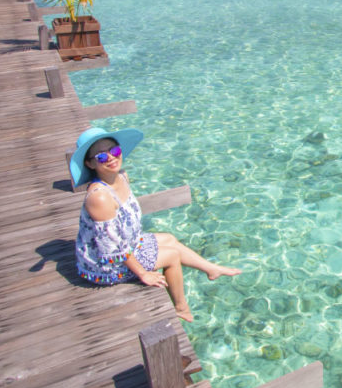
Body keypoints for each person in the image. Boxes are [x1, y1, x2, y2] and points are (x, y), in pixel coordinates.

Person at [71, 127, 240, 321]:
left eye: (114, 151)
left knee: (169, 239)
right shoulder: (99, 197)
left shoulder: (122, 177)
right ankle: (181, 307)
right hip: (104, 266)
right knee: (171, 256)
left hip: (128, 245)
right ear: (90, 163)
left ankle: (211, 269)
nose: (111, 158)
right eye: (101, 157)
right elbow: (112, 248)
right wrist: (143, 274)